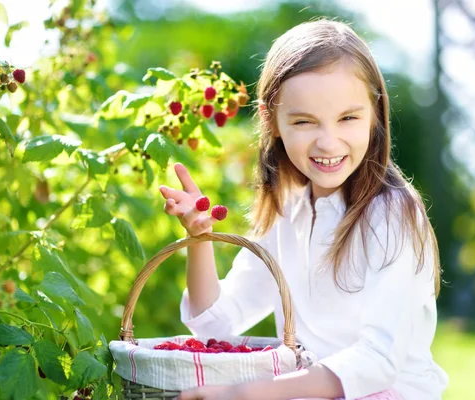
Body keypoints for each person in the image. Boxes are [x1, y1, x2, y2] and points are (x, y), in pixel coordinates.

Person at [158, 18, 448, 400]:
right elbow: (217, 325)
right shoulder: (287, 211)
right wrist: (199, 240)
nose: (329, 142)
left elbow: (377, 362)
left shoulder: (392, 213)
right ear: (270, 119)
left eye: (348, 118)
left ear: (375, 112)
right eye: (304, 121)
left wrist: (244, 394)